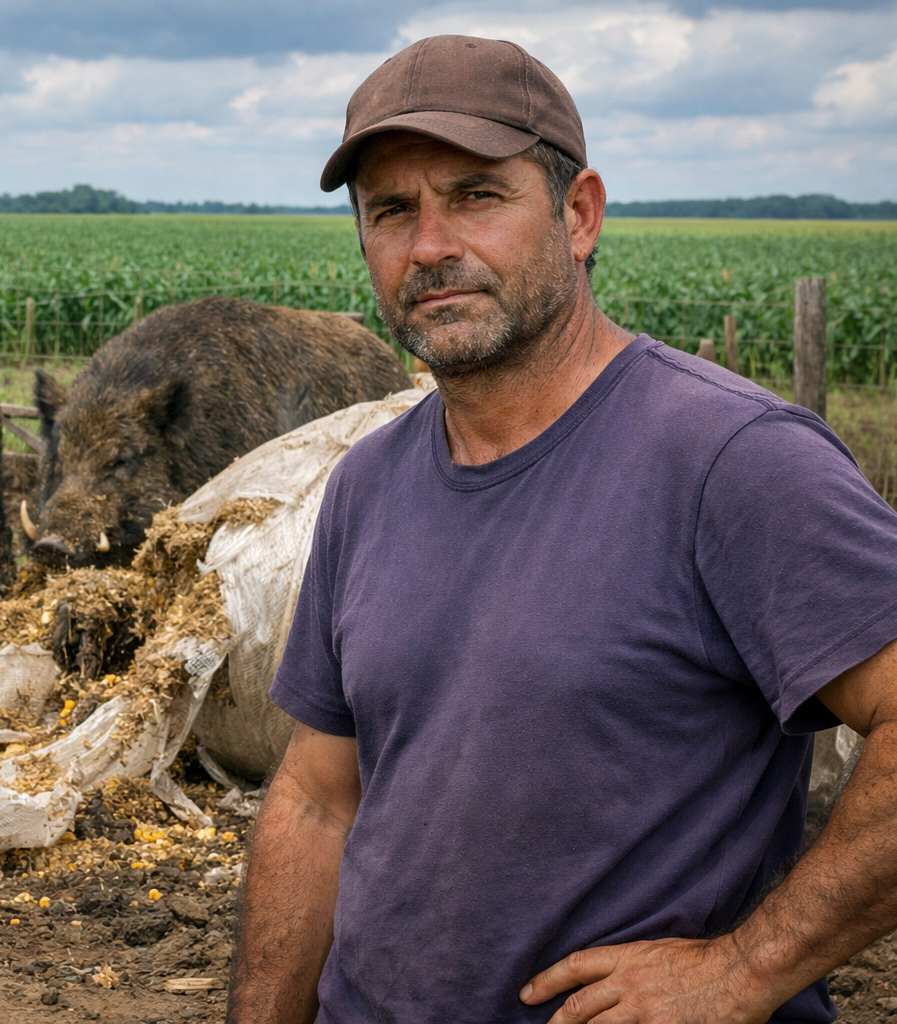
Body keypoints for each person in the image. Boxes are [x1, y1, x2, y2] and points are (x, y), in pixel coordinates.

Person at [227, 33, 897, 1024]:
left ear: (579, 215)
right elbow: (319, 798)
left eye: (476, 195)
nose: (429, 246)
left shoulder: (732, 460)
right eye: (391, 211)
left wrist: (746, 969)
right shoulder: (368, 485)